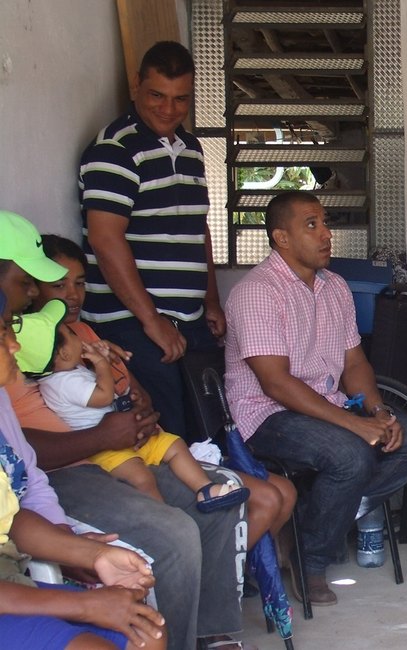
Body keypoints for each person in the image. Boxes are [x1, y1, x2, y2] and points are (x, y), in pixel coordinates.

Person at [1, 211, 248, 650]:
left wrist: (134, 413)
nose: (37, 293)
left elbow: (23, 476)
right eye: (29, 282)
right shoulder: (32, 348)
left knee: (216, 502)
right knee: (172, 534)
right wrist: (105, 438)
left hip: (95, 459)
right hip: (80, 465)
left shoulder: (64, 333)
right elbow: (33, 466)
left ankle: (207, 633)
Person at [224, 190, 407, 607]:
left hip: (326, 405)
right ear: (281, 238)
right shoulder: (258, 292)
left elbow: (355, 363)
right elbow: (276, 384)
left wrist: (378, 412)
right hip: (267, 415)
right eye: (312, 225)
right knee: (350, 456)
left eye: (326, 223)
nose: (326, 234)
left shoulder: (335, 286)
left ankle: (312, 518)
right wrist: (356, 425)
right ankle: (313, 558)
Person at [32, 233, 296, 552]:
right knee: (258, 501)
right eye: (60, 286)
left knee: (278, 492)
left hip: (142, 442)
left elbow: (135, 392)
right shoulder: (36, 351)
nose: (74, 296)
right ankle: (212, 577)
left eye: (80, 283)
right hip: (105, 460)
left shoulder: (85, 331)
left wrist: (141, 409)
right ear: (34, 286)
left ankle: (230, 581)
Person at [0, 293, 167, 650]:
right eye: (2, 334)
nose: (14, 344)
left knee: (146, 631)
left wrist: (88, 553)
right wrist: (84, 604)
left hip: (10, 578)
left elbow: (12, 514)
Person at [78, 40, 224, 437]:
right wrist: (151, 320)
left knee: (209, 429)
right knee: (168, 434)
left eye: (180, 99)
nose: (169, 109)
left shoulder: (190, 148)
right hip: (131, 324)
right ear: (136, 86)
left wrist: (210, 300)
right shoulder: (115, 149)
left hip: (187, 320)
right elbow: (106, 241)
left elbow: (198, 228)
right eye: (157, 95)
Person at [15, 300, 248, 510]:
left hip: (123, 436)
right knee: (142, 478)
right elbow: (104, 396)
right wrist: (101, 363)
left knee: (174, 444)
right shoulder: (62, 383)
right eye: (72, 335)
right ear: (64, 354)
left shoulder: (71, 372)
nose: (80, 338)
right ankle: (163, 515)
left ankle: (205, 488)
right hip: (105, 450)